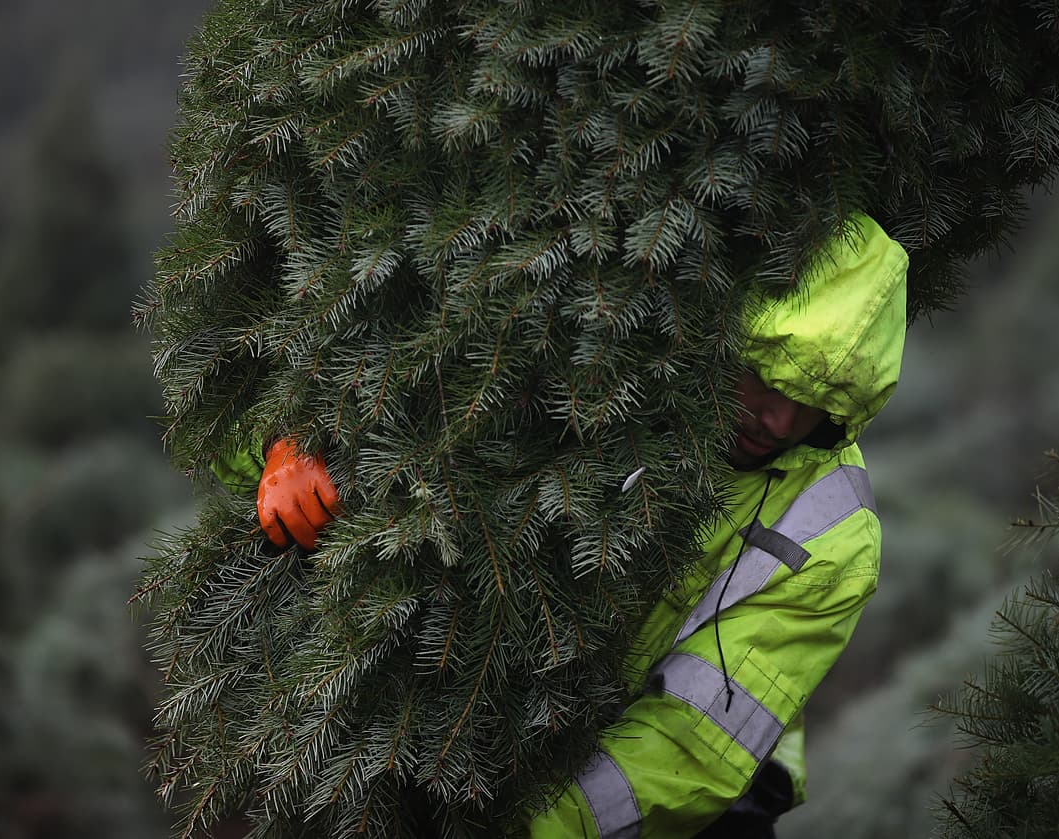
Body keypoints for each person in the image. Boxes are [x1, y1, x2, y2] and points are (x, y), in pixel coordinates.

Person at [216, 214, 909, 837]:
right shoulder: (592, 348)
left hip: (701, 805)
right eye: (766, 377)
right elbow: (233, 396)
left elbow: (692, 747)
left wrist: (527, 828)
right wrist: (292, 442)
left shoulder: (837, 530)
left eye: (813, 402)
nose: (781, 419)